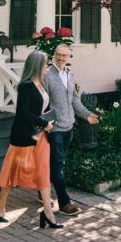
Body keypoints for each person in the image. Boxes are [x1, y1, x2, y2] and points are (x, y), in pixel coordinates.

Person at [0, 51, 63, 229]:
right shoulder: (26, 86)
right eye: (45, 64)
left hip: (40, 136)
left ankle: (48, 213)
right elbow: (22, 113)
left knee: (43, 171)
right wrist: (43, 122)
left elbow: (39, 108)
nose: (47, 67)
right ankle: (0, 204)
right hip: (24, 135)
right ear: (37, 65)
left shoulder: (40, 84)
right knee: (11, 172)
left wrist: (47, 121)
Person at [44, 44, 99, 215]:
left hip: (69, 127)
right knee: (58, 165)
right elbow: (41, 101)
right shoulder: (47, 75)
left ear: (69, 58)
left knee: (56, 163)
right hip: (55, 129)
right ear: (54, 55)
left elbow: (75, 100)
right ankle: (64, 203)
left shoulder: (69, 75)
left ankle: (41, 190)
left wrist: (87, 115)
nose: (61, 58)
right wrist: (45, 122)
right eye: (58, 54)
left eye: (64, 55)